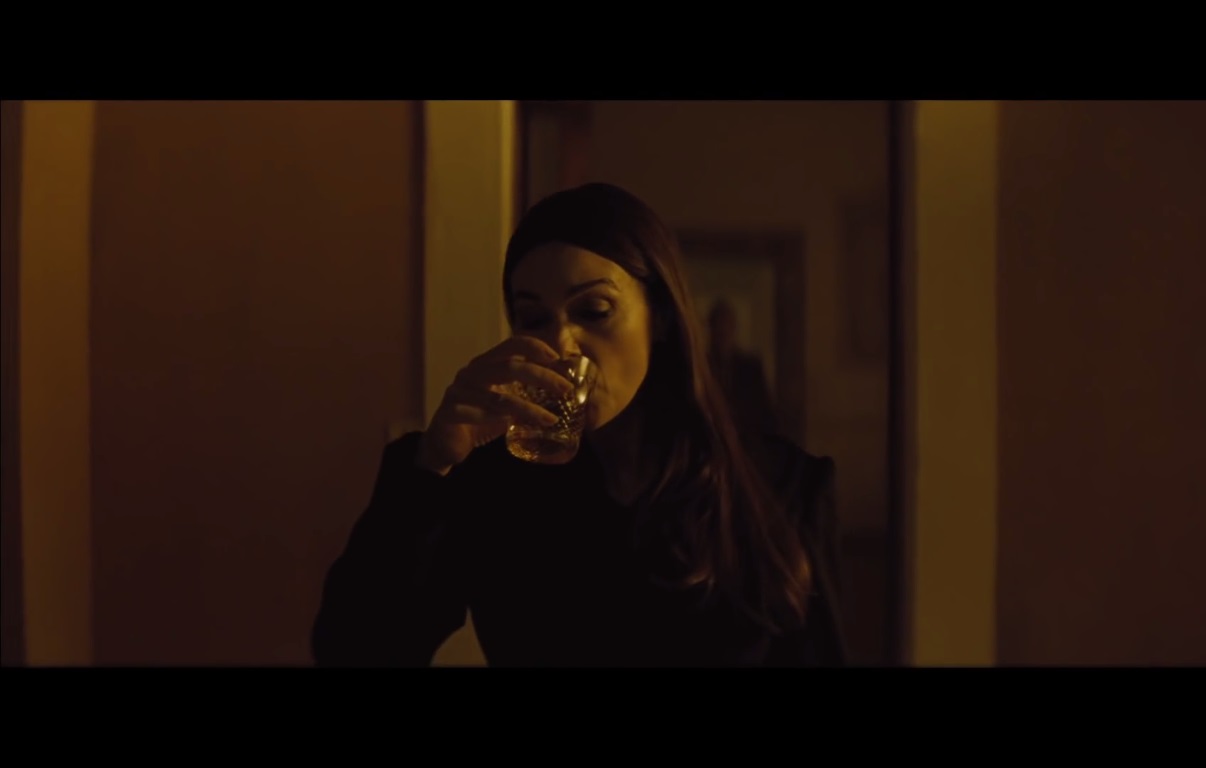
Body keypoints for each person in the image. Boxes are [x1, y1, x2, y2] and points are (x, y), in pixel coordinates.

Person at [311, 182, 846, 667]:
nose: (561, 344)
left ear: (659, 316)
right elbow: (354, 651)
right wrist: (430, 467)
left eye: (593, 311)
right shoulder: (495, 485)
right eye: (533, 318)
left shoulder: (781, 486)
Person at [706, 298, 782, 443]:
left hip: (746, 442)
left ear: (733, 328)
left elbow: (764, 411)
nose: (722, 332)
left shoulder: (751, 367)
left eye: (726, 327)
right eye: (718, 328)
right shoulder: (704, 367)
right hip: (713, 442)